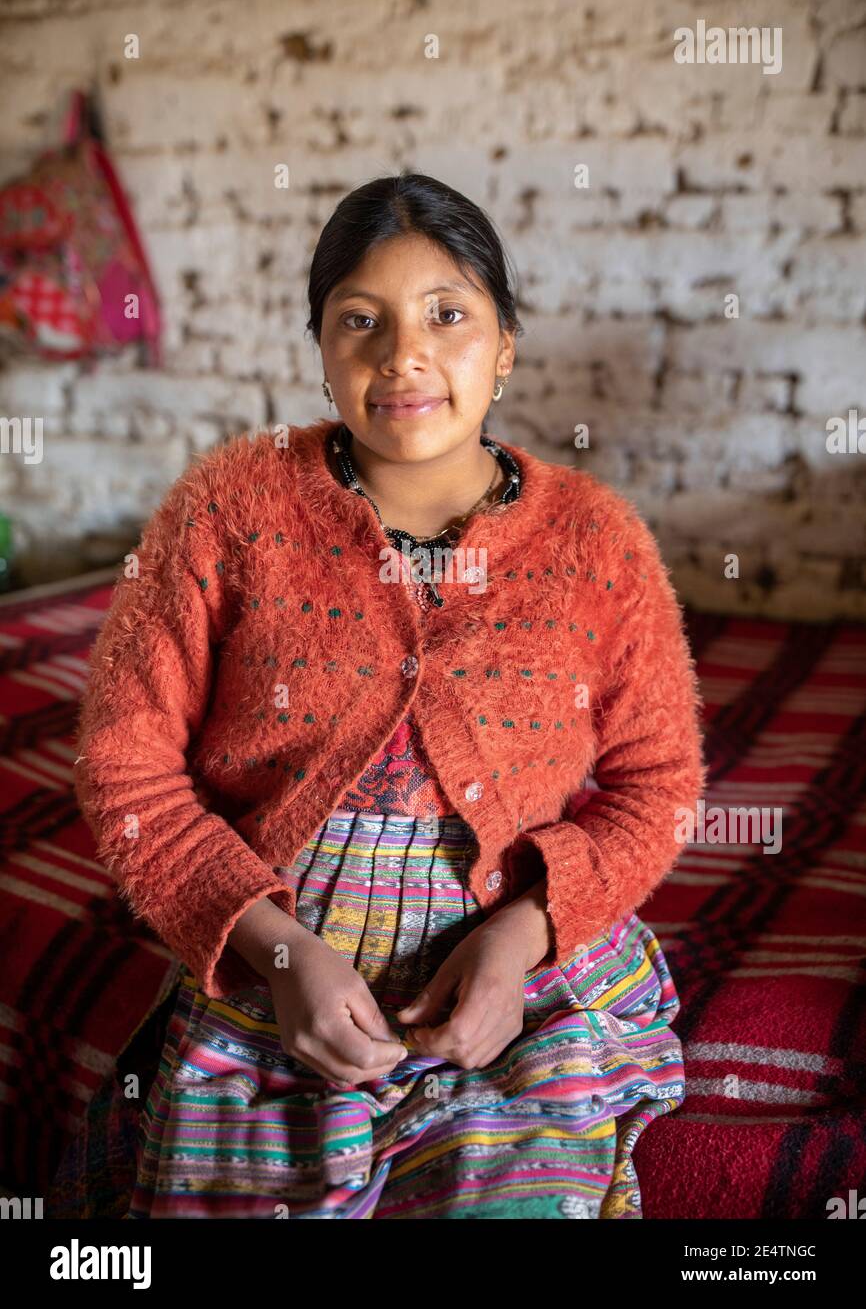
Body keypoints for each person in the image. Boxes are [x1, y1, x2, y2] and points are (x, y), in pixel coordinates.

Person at [49, 172, 706, 1220]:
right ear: (319, 349)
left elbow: (657, 784)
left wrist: (523, 934)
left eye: (447, 315)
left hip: (517, 970)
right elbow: (124, 768)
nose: (402, 354)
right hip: (271, 962)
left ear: (503, 347)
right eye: (361, 320)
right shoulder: (225, 510)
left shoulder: (597, 542)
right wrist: (276, 951)